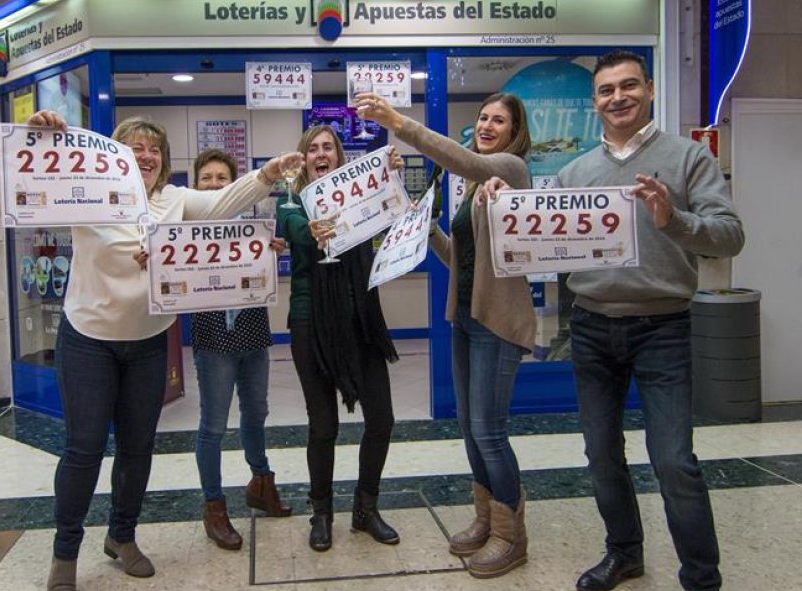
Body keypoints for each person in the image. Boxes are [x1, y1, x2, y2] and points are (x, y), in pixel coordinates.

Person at [486, 51, 743, 591]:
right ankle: (624, 554)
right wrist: (504, 203)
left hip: (663, 328)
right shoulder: (579, 171)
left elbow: (729, 235)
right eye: (606, 90)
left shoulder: (688, 158)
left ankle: (702, 578)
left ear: (649, 89)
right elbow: (538, 231)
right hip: (592, 327)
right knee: (601, 456)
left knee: (674, 462)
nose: (618, 97)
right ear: (595, 101)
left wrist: (674, 219)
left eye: (629, 86)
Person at [26, 110, 302, 591]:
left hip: (149, 341)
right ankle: (65, 552)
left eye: (154, 149)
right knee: (84, 450)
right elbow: (38, 180)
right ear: (113, 155)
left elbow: (219, 203)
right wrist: (42, 133)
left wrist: (267, 174)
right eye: (134, 146)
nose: (146, 155)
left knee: (137, 448)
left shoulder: (174, 200)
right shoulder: (86, 192)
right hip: (89, 338)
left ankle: (122, 537)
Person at [356, 92, 534, 578]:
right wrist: (425, 227)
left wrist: (398, 122)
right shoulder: (479, 189)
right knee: (472, 432)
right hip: (469, 320)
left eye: (499, 120)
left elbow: (467, 161)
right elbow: (460, 258)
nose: (487, 124)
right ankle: (486, 518)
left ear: (516, 131)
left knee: (491, 433)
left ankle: (510, 535)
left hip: (500, 322)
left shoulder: (510, 171)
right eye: (482, 117)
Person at [276, 125, 401, 552]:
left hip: (361, 322)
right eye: (313, 148)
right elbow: (295, 230)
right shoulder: (292, 200)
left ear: (341, 157)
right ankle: (322, 513)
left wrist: (391, 178)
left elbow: (394, 211)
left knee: (381, 421)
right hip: (311, 324)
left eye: (328, 147)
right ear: (304, 158)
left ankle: (366, 511)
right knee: (323, 427)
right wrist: (313, 229)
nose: (321, 153)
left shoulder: (360, 196)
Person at [187, 148, 291, 553]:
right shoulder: (185, 226)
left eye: (221, 179)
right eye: (206, 178)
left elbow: (263, 263)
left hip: (252, 328)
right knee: (213, 424)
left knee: (257, 410)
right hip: (213, 333)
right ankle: (213, 505)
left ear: (234, 185)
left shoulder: (254, 226)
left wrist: (271, 250)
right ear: (196, 186)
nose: (214, 185)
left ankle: (260, 482)